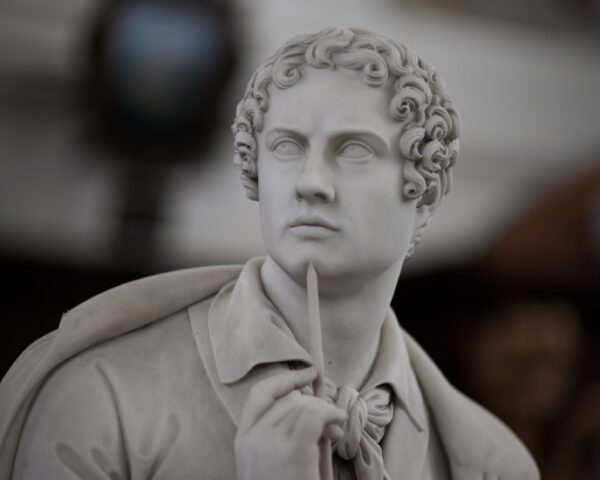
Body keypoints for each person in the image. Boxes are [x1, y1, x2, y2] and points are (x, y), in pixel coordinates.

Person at [0, 27, 538, 480]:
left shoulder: (491, 464)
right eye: (286, 146)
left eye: (354, 149)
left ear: (424, 192)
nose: (310, 182)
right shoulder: (99, 399)